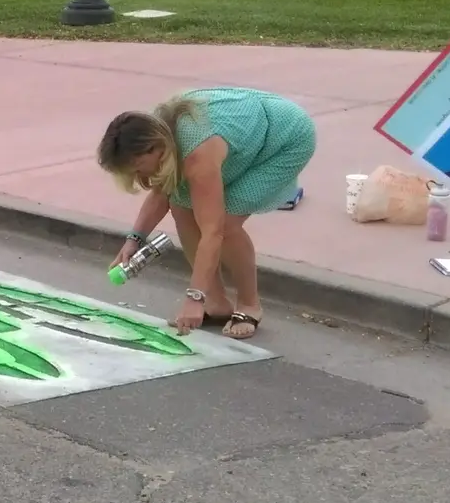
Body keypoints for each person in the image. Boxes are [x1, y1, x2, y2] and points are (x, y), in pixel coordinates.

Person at [97, 87, 316, 341]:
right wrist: (133, 239)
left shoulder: (197, 155)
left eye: (137, 169)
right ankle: (217, 303)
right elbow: (161, 192)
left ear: (154, 149)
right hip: (242, 132)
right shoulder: (154, 132)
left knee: (227, 222)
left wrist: (193, 297)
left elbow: (213, 231)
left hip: (284, 138)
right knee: (181, 207)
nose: (138, 177)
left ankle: (249, 305)